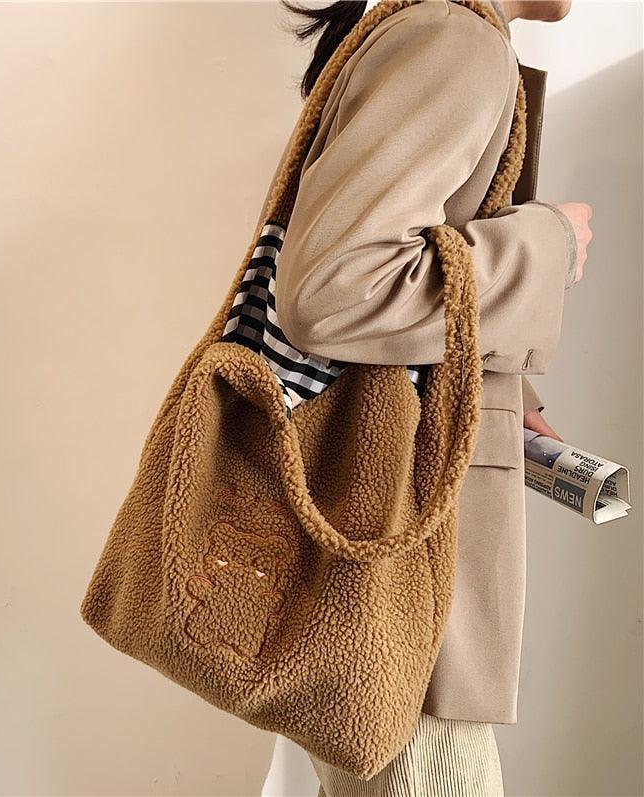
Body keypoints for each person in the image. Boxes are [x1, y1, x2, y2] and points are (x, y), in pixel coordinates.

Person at [275, 0, 593, 794]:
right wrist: (548, 245)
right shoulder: (453, 40)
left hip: (392, 553)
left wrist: (495, 388)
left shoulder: (431, 30)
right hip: (409, 574)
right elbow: (333, 289)